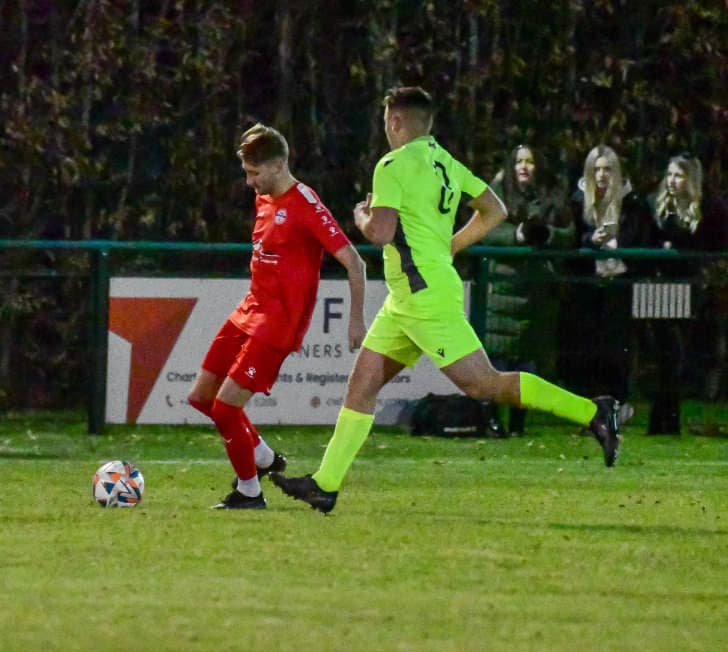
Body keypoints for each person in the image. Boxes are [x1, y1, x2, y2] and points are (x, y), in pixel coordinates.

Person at [271, 87, 625, 514]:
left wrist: (362, 217)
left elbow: (380, 232)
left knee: (483, 384)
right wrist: (452, 245)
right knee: (362, 384)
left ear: (396, 122)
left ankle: (594, 411)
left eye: (387, 122)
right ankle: (325, 484)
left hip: (423, 297)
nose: (386, 130)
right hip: (408, 297)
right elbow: (495, 210)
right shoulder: (445, 161)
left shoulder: (392, 165)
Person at [188, 123, 367, 510]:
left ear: (279, 164)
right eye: (246, 172)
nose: (249, 182)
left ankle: (250, 492)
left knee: (226, 408)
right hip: (248, 310)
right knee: (201, 397)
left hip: (277, 324)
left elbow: (355, 262)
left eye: (255, 173)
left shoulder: (305, 204)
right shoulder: (264, 197)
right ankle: (265, 458)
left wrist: (356, 320)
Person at [482, 145, 573, 436]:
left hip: (535, 292)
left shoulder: (552, 197)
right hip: (502, 289)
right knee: (497, 359)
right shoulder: (496, 195)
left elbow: (569, 234)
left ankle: (519, 422)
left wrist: (547, 235)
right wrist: (516, 235)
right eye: (519, 161)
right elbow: (484, 230)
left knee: (527, 361)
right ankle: (493, 419)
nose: (524, 167)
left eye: (530, 161)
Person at [645, 154, 728, 433]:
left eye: (679, 175)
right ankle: (663, 420)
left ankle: (667, 419)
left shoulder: (707, 209)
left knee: (677, 352)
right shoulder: (656, 206)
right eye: (669, 175)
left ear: (690, 179)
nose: (672, 181)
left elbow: (715, 243)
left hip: (689, 288)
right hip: (658, 287)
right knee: (664, 354)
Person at [568, 145, 653, 404]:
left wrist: (616, 243)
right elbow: (570, 240)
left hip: (620, 284)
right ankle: (589, 409)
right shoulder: (577, 201)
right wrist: (590, 240)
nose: (602, 175)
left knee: (617, 352)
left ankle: (617, 406)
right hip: (588, 286)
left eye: (607, 169)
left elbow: (641, 240)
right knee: (587, 351)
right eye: (596, 169)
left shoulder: (633, 203)